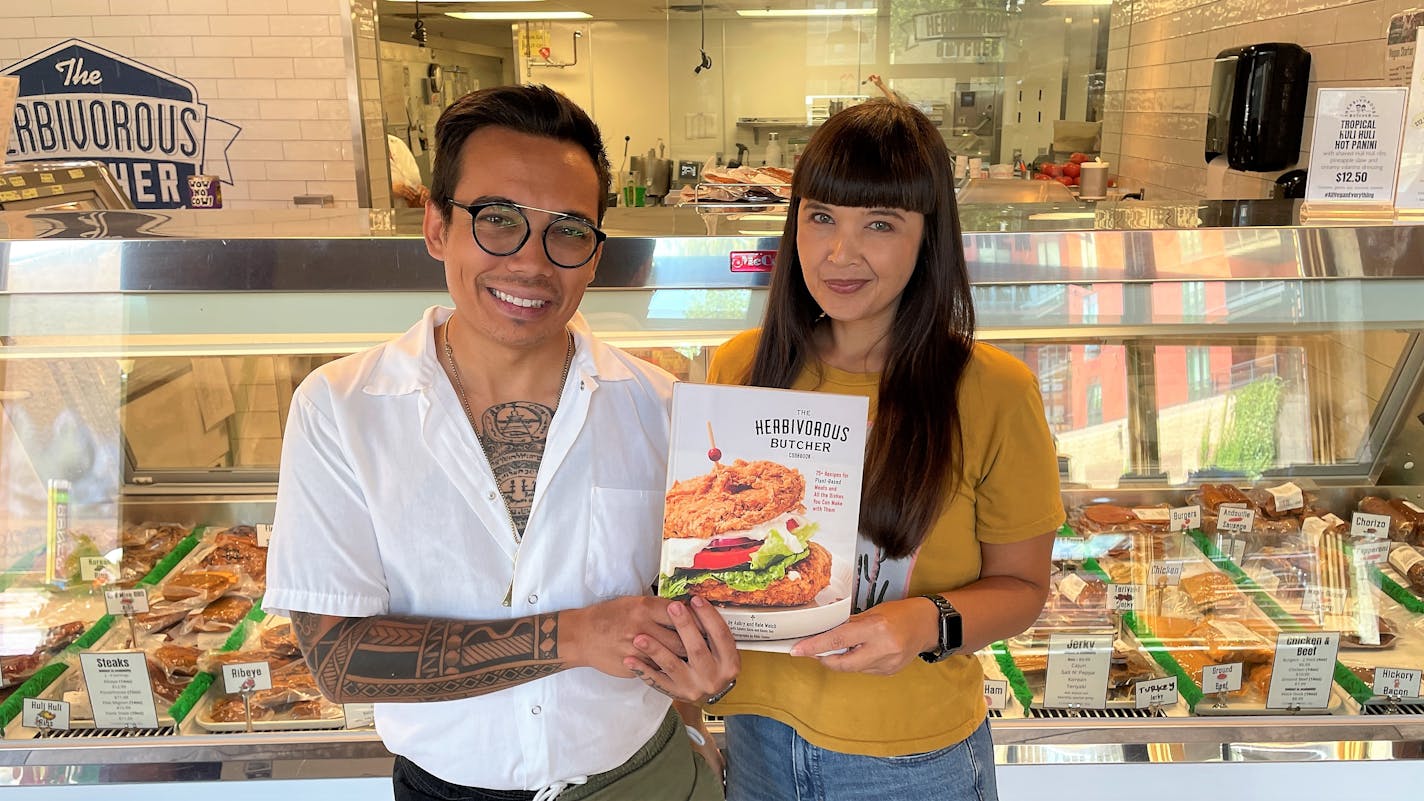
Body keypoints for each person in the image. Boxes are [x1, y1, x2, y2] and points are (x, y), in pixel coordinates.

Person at [265, 85, 737, 801]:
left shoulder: (663, 408)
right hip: (447, 789)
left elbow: (692, 608)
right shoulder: (339, 408)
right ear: (435, 227)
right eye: (498, 220)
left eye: (568, 231)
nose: (531, 262)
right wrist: (571, 637)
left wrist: (704, 682)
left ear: (595, 254)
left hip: (643, 777)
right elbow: (337, 657)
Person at [707, 98, 1064, 800]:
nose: (841, 253)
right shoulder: (739, 366)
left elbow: (1023, 590)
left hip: (912, 759)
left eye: (879, 224)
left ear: (928, 238)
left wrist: (927, 620)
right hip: (756, 734)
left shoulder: (994, 390)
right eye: (820, 218)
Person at [388, 132, 431, 208]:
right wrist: (388, 190)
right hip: (385, 215)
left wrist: (422, 193)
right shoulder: (362, 151)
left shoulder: (397, 143)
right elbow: (361, 195)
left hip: (410, 214)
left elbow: (415, 183)